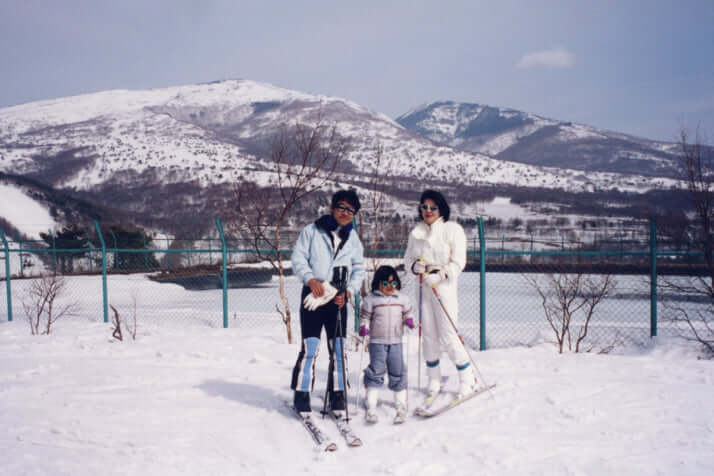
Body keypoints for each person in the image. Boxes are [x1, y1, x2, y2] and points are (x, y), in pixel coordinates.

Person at [290, 189, 365, 416]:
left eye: (351, 210)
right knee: (310, 347)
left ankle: (338, 393)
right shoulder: (312, 231)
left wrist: (349, 292)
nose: (345, 213)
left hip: (337, 298)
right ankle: (302, 393)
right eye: (341, 207)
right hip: (313, 294)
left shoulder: (353, 238)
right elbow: (298, 258)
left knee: (339, 349)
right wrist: (310, 279)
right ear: (332, 208)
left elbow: (359, 269)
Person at [404, 189, 475, 405]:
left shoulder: (452, 230)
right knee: (429, 336)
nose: (428, 211)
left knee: (448, 333)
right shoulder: (416, 233)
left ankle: (467, 378)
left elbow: (458, 261)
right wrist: (414, 267)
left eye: (432, 207)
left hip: (443, 288)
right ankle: (433, 379)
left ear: (441, 209)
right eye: (424, 207)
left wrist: (442, 273)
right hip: (423, 289)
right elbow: (407, 260)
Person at [358, 265, 415, 424]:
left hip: (396, 341)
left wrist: (409, 320)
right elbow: (365, 318)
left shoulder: (402, 299)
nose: (390, 287)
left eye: (393, 284)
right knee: (376, 370)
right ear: (378, 283)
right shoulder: (371, 300)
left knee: (397, 370)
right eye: (385, 284)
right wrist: (364, 327)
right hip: (377, 341)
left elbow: (408, 312)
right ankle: (371, 402)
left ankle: (401, 403)